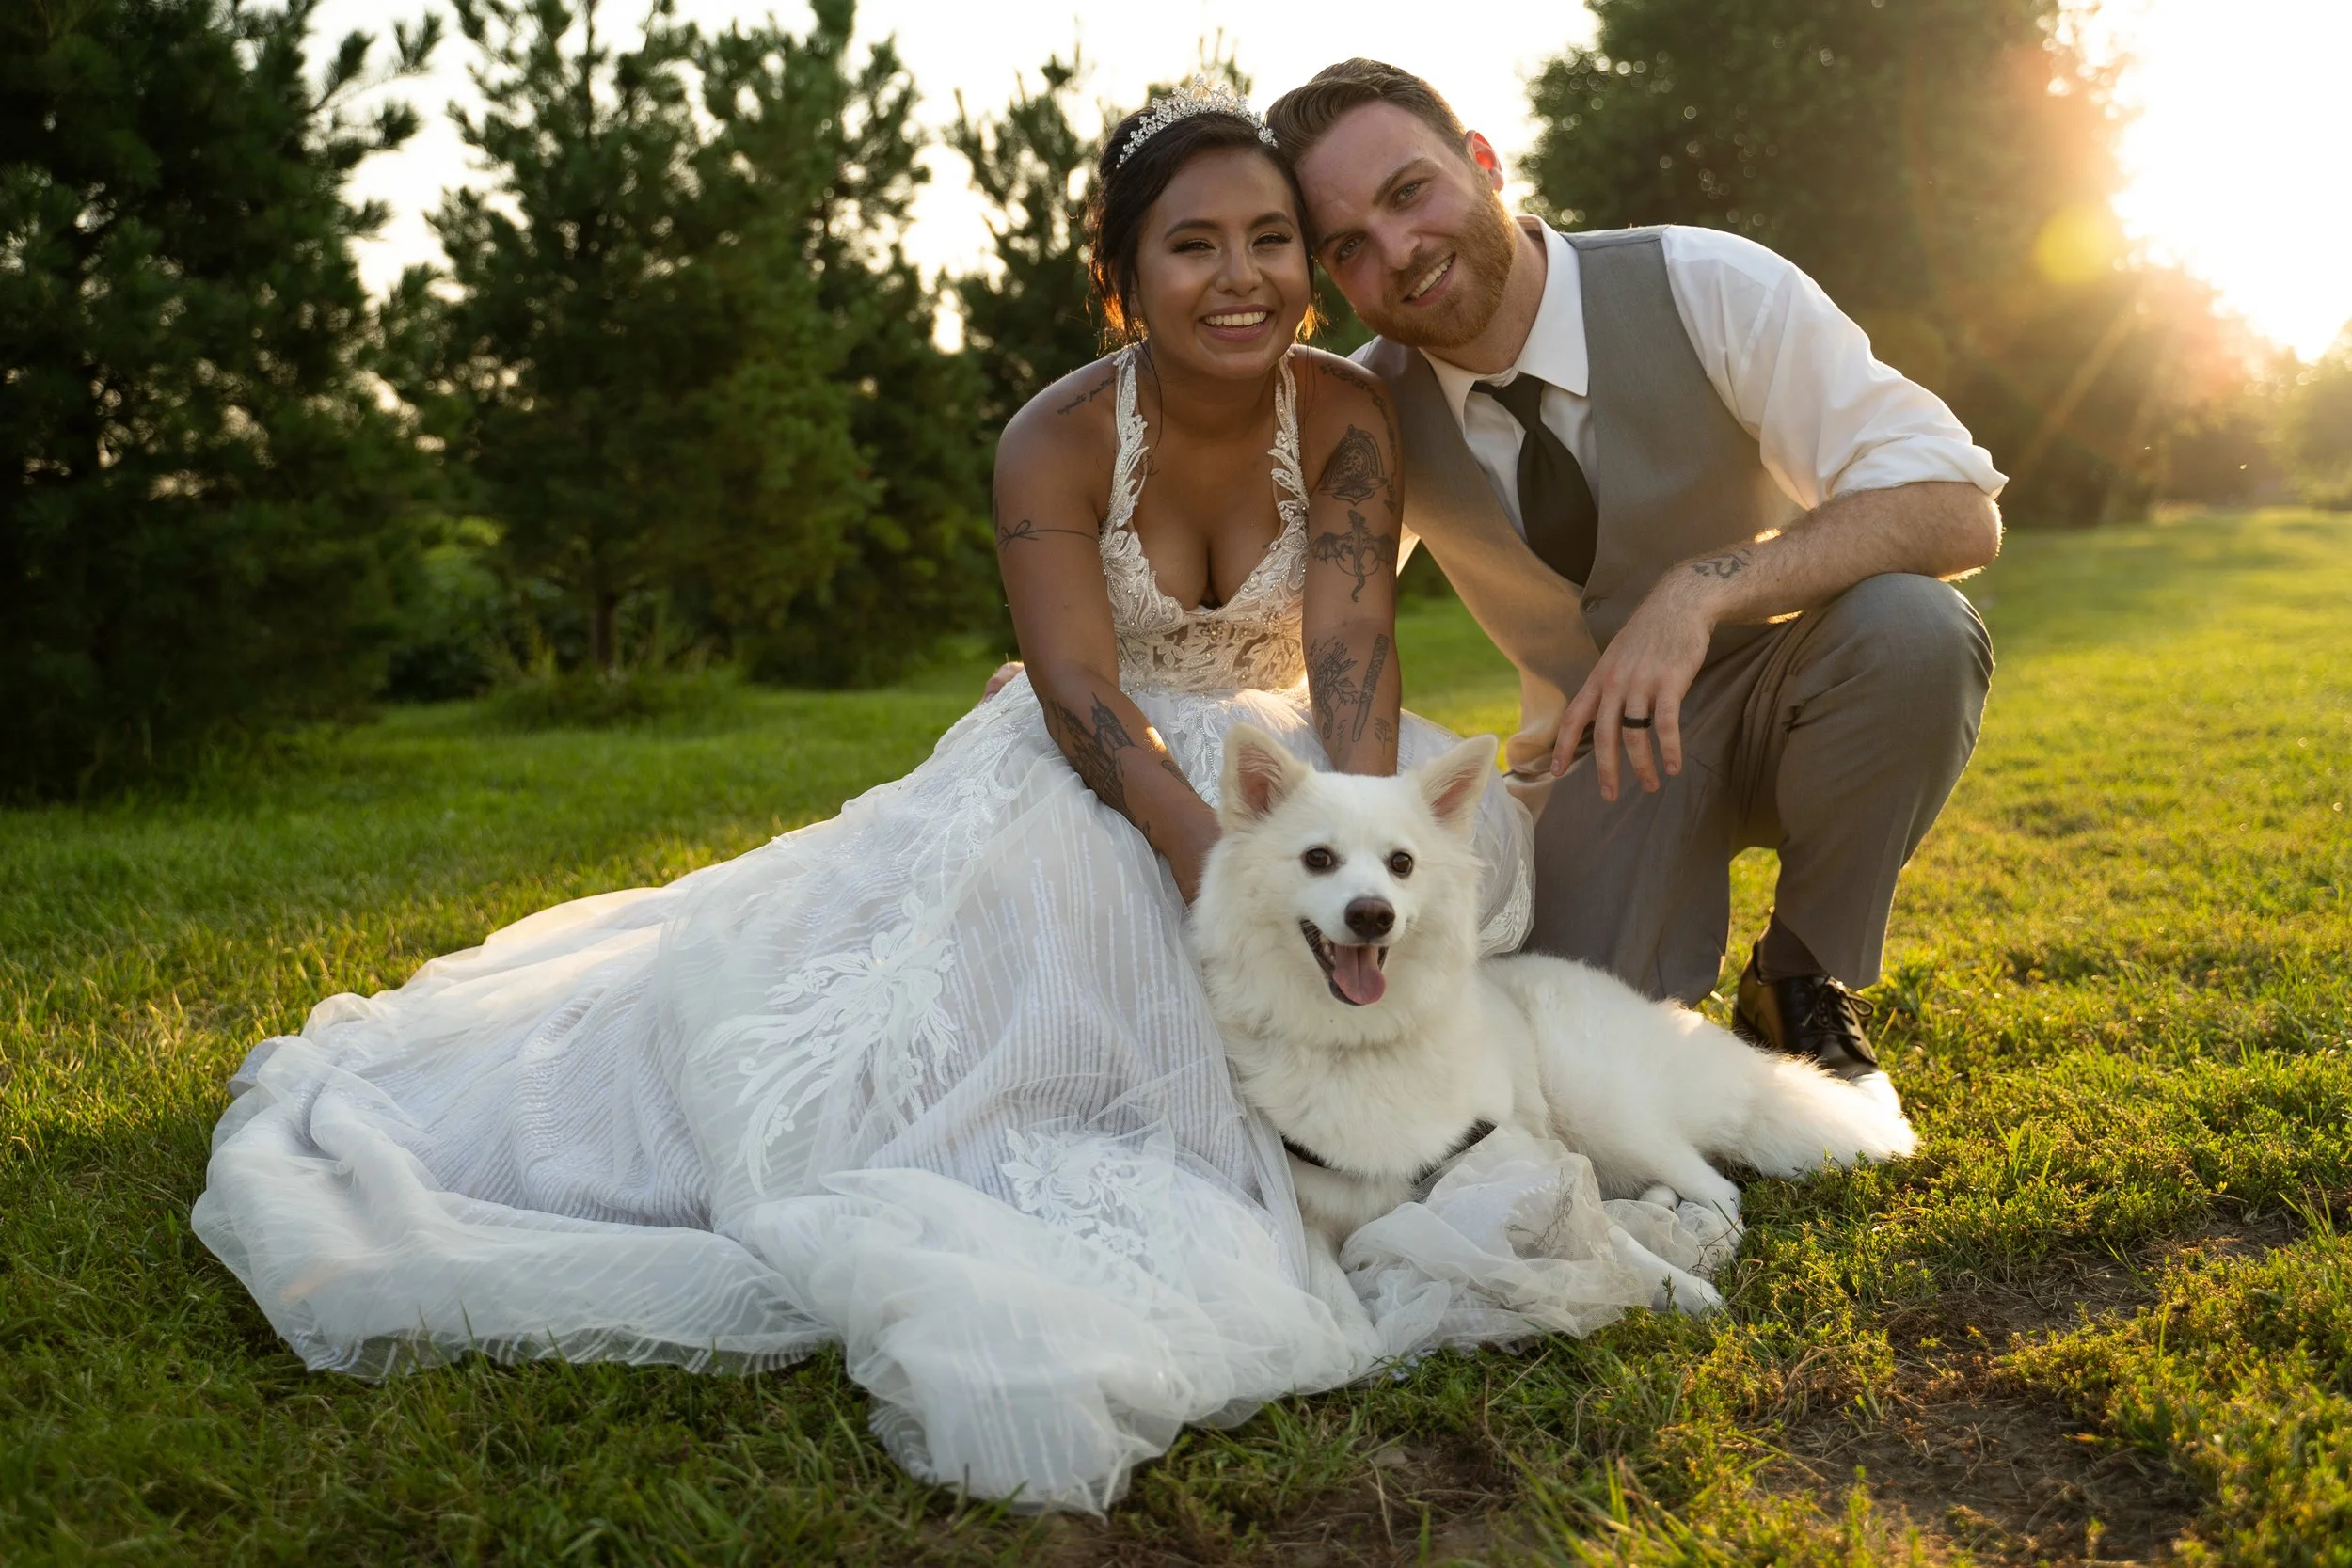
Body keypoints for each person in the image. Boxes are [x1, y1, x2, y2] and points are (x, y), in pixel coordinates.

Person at [193, 82, 1706, 1513]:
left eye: (1269, 242)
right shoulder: (1052, 436)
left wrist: (1364, 827)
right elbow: (1079, 694)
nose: (1240, 277)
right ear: (1122, 280)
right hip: (1106, 776)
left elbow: (1353, 645)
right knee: (1020, 1019)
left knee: (1401, 912)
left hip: (1280, 759)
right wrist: (1220, 869)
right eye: (1192, 245)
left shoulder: (1346, 415)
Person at [1263, 61, 2003, 1085]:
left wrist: (1701, 588)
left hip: (1792, 702)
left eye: (1408, 191)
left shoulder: (1703, 282)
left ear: (1482, 161)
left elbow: (1954, 503)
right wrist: (1085, 673)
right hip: (1592, 765)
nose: (1399, 252)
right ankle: (1657, 995)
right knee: (1574, 1062)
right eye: (1349, 246)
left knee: (1916, 630)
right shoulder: (1370, 412)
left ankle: (1796, 975)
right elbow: (1293, 617)